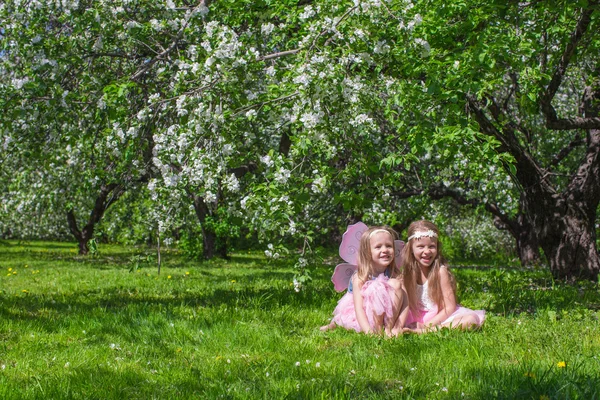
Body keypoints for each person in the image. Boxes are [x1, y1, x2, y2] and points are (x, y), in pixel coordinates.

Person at [320, 226, 408, 336]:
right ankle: (336, 324)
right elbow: (359, 309)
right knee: (375, 288)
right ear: (367, 252)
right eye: (378, 247)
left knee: (395, 284)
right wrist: (368, 332)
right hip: (363, 311)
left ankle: (388, 329)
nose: (385, 250)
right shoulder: (360, 276)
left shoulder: (394, 273)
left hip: (387, 314)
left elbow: (405, 303)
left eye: (389, 246)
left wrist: (398, 327)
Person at [401, 220, 485, 333]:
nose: (427, 251)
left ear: (437, 247)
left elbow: (450, 307)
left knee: (470, 320)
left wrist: (426, 325)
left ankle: (426, 331)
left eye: (431, 246)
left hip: (440, 316)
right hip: (414, 317)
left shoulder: (440, 272)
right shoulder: (407, 273)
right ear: (411, 248)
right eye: (420, 246)